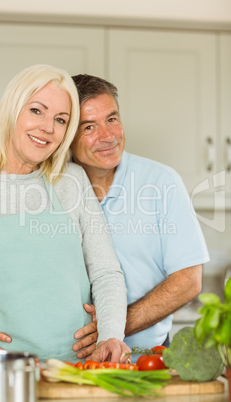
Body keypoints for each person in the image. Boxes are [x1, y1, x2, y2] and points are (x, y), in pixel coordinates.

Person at [0, 65, 131, 363]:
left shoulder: (73, 181)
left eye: (61, 120)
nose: (48, 128)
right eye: (37, 111)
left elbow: (106, 272)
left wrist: (109, 335)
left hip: (75, 371)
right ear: (12, 110)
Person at [70, 74, 210, 362]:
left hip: (145, 358)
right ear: (66, 135)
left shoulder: (162, 182)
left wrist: (111, 331)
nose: (108, 136)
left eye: (112, 119)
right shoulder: (49, 187)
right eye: (89, 126)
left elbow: (188, 280)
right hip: (65, 360)